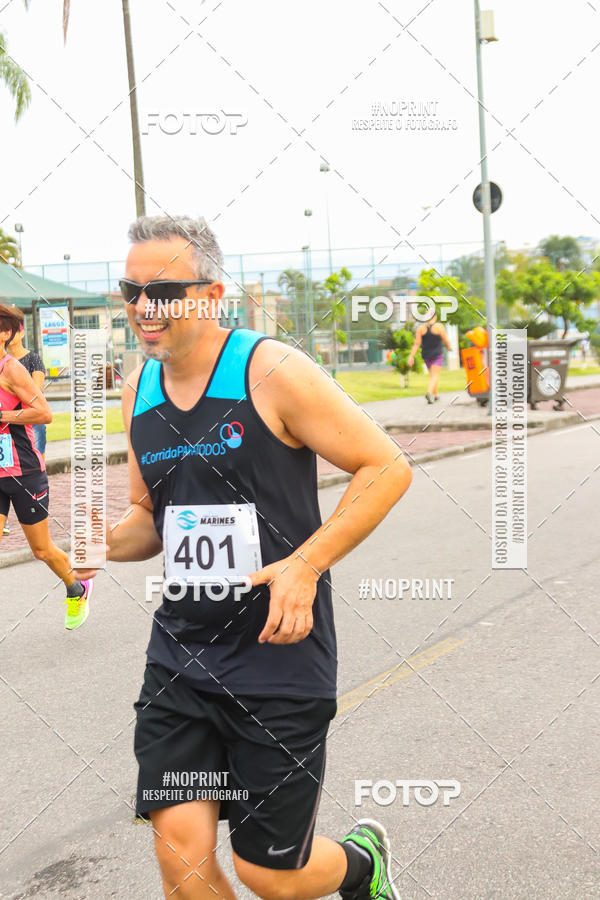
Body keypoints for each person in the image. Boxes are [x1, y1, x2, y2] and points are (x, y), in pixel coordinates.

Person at [74, 215, 412, 900]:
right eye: (130, 290)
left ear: (211, 294)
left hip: (278, 660)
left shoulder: (273, 371)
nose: (143, 307)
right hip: (181, 661)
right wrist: (108, 540)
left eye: (162, 290)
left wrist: (306, 564)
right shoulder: (139, 389)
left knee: (270, 876)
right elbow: (152, 517)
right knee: (183, 865)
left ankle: (362, 866)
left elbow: (386, 466)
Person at [0, 303, 93, 629]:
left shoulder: (12, 370)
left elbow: (44, 413)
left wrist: (4, 416)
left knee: (41, 549)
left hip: (24, 471)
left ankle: (76, 588)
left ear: (5, 334)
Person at [3, 318, 47, 535]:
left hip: (23, 462)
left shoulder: (22, 364)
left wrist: (4, 415)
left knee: (42, 551)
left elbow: (41, 409)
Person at [407, 308, 452, 403]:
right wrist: (449, 347)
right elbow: (446, 340)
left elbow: (416, 344)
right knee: (435, 376)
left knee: (432, 376)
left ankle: (436, 395)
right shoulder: (439, 327)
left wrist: (411, 356)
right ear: (435, 316)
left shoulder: (421, 329)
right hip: (437, 355)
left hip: (426, 355)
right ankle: (429, 393)